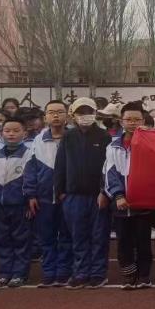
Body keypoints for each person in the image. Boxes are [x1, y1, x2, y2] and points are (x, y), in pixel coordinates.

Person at [54, 97, 112, 289]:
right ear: (73, 115)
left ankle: (98, 273)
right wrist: (60, 191)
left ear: (95, 114)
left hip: (98, 196)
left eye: (88, 112)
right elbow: (60, 164)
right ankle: (80, 273)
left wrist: (104, 191)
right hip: (73, 196)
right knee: (78, 237)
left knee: (99, 236)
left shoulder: (104, 136)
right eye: (81, 112)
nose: (85, 116)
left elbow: (109, 167)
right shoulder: (68, 136)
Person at [103, 102, 153, 290]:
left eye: (137, 119)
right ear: (121, 121)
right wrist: (118, 196)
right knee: (124, 242)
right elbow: (110, 173)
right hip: (121, 204)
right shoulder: (113, 146)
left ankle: (144, 276)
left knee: (143, 242)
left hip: (143, 204)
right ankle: (128, 275)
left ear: (143, 121)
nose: (133, 123)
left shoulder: (151, 145)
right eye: (129, 119)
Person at [23, 100, 72, 287]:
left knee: (66, 236)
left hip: (67, 197)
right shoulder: (38, 140)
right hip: (43, 198)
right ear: (45, 117)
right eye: (51, 112)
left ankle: (64, 272)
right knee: (46, 237)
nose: (56, 115)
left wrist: (68, 190)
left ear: (67, 116)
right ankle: (49, 272)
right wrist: (31, 194)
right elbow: (30, 169)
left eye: (60, 112)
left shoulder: (73, 138)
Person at [0, 117, 32, 287]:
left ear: (24, 133)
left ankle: (19, 274)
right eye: (7, 131)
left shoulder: (29, 154)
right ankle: (4, 273)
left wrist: (28, 200)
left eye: (16, 130)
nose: (11, 134)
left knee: (21, 239)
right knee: (1, 240)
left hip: (19, 205)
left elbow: (30, 180)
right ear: (1, 133)